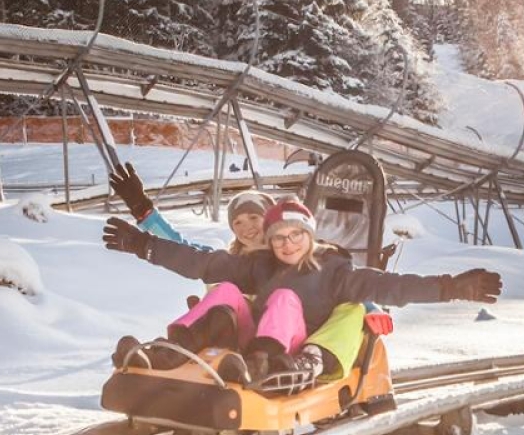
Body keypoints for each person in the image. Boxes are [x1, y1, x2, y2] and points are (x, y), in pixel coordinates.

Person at [104, 196, 502, 390]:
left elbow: (393, 286)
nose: (287, 243)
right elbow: (201, 262)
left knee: (283, 298)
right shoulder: (259, 265)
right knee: (224, 287)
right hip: (251, 347)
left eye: (296, 235)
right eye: (279, 237)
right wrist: (143, 245)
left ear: (309, 237)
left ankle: (262, 366)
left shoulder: (334, 272)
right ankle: (172, 352)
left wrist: (452, 287)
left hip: (289, 353)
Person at [108, 159, 271, 253]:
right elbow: (182, 251)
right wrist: (142, 208)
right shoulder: (229, 264)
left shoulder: (285, 260)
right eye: (238, 222)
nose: (246, 227)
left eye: (253, 217)